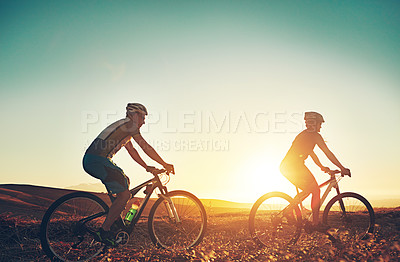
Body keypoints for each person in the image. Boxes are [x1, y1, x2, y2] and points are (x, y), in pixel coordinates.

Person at [83, 103, 174, 245]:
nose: (144, 121)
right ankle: (104, 231)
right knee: (125, 195)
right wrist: (164, 164)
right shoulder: (130, 125)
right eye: (143, 117)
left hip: (93, 160)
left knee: (125, 181)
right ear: (133, 115)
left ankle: (115, 221)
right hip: (98, 160)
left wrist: (146, 166)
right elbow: (145, 147)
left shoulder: (123, 127)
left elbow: (132, 151)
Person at [280, 111, 350, 231]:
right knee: (315, 190)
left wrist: (322, 167)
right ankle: (315, 223)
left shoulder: (305, 135)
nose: (321, 126)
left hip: (290, 166)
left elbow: (311, 153)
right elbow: (328, 153)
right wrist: (342, 168)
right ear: (313, 123)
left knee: (310, 190)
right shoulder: (314, 136)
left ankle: (292, 211)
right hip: (294, 167)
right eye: (319, 123)